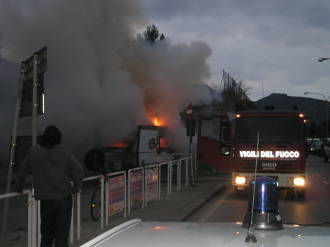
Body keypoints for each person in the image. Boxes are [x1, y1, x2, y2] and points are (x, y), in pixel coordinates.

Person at [14, 125, 84, 247]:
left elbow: (23, 171)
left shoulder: (33, 152)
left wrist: (18, 187)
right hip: (63, 199)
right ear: (59, 138)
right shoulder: (66, 153)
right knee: (61, 236)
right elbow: (78, 170)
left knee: (46, 234)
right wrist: (76, 187)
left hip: (46, 200)